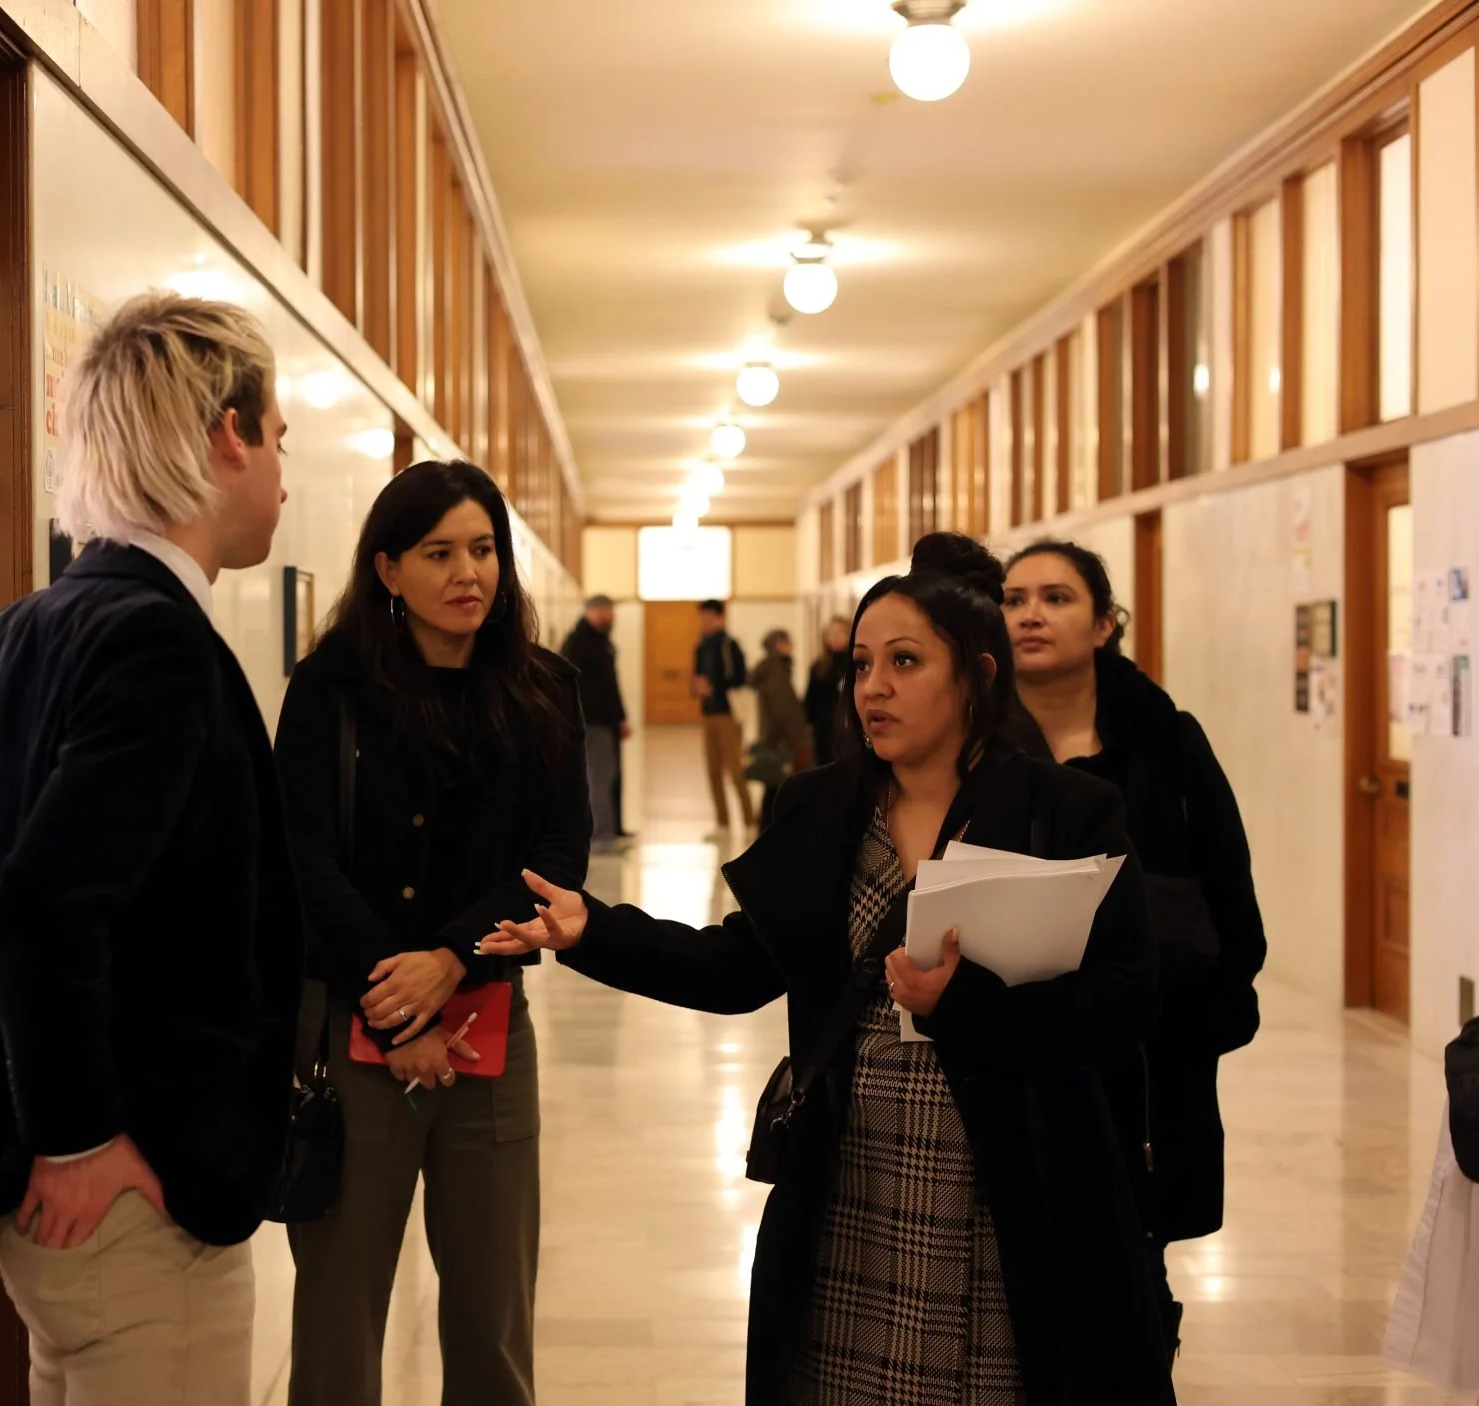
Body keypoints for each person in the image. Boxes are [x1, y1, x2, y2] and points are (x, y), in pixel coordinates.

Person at [481, 533, 1173, 1406]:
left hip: (1009, 1196)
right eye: (862, 664)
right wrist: (593, 931)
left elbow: (1124, 1001)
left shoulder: (1064, 813)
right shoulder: (824, 808)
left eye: (906, 662)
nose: (873, 687)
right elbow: (737, 967)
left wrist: (965, 1004)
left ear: (977, 676)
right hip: (853, 1190)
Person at [0, 292, 303, 1405]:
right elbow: (35, 910)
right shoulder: (157, 640)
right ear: (225, 434)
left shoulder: (25, 624)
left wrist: (21, 1064)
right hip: (129, 1202)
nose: (283, 477)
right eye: (279, 438)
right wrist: (76, 1129)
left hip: (68, 1208)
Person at [274, 460, 592, 1406]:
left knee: (493, 1321)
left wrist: (452, 959)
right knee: (337, 1322)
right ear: (387, 569)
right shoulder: (328, 691)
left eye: (484, 549)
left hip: (490, 1027)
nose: (470, 572)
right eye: (439, 551)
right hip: (351, 1032)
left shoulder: (543, 687)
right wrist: (395, 1005)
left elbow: (557, 853)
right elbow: (302, 860)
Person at [1004, 539, 1267, 1364]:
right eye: (1013, 599)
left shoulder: (1167, 743)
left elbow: (1230, 883)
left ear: (1105, 623)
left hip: (1148, 1041)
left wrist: (1214, 1005)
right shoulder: (974, 748)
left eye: (1056, 597)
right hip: (1011, 1032)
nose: (1031, 615)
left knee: (1131, 1250)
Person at [562, 593, 629, 851]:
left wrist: (620, 717)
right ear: (590, 611)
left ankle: (614, 830)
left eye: (610, 611)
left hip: (606, 721)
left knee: (609, 775)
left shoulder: (601, 642)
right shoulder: (580, 643)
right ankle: (601, 837)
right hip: (592, 722)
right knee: (599, 777)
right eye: (603, 611)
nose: (608, 616)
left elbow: (610, 686)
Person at [694, 598, 754, 833]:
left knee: (735, 768)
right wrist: (697, 686)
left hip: (728, 714)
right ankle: (722, 822)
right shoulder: (701, 645)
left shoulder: (730, 645)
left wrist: (715, 687)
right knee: (712, 769)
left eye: (708, 617)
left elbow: (740, 678)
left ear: (719, 617)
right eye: (702, 617)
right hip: (708, 713)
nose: (704, 621)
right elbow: (697, 675)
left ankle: (749, 820)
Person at [749, 627, 811, 831]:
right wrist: (798, 742)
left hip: (774, 738)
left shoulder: (773, 669)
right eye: (788, 642)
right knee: (778, 787)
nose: (792, 647)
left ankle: (767, 831)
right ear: (779, 645)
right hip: (781, 741)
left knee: (773, 787)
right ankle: (771, 832)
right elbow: (784, 710)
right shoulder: (776, 670)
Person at [803, 613, 852, 765]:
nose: (835, 637)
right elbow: (811, 701)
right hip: (824, 730)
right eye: (831, 633)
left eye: (840, 632)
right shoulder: (819, 667)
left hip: (849, 729)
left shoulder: (856, 664)